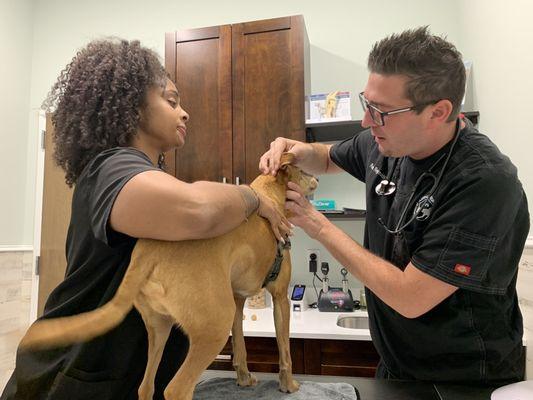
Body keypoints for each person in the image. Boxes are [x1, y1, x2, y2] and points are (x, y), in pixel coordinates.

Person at [1, 38, 290, 400]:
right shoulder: (112, 166)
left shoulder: (133, 171)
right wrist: (255, 197)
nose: (184, 113)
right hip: (68, 379)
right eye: (171, 101)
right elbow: (197, 210)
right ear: (132, 106)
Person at [260, 27, 529, 386]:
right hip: (397, 366)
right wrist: (293, 148)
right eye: (366, 104)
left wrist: (317, 224)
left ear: (439, 112)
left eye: (382, 111)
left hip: (464, 380)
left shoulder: (484, 183)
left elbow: (410, 297)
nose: (366, 121)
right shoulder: (384, 142)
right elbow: (325, 157)